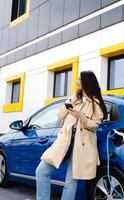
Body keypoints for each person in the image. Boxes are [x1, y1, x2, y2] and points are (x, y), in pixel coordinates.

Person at [35, 71, 107, 200]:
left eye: (79, 79)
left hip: (81, 147)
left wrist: (81, 117)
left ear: (86, 81)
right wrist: (73, 97)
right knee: (41, 171)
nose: (76, 81)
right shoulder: (75, 99)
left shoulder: (95, 103)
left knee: (70, 183)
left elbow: (95, 125)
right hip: (64, 143)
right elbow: (60, 115)